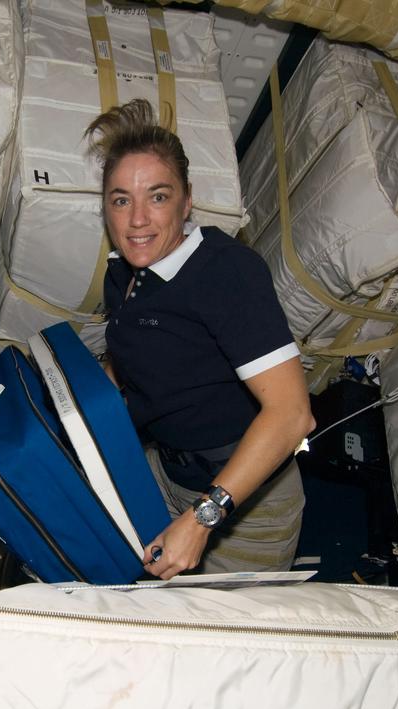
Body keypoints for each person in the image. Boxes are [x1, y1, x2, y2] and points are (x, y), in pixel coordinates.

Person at [86, 99, 315, 580]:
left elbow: (292, 414)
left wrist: (202, 517)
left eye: (158, 196)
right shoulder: (124, 272)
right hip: (168, 470)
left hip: (247, 504)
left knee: (216, 633)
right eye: (121, 199)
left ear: (187, 201)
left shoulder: (226, 273)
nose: (138, 220)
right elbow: (135, 356)